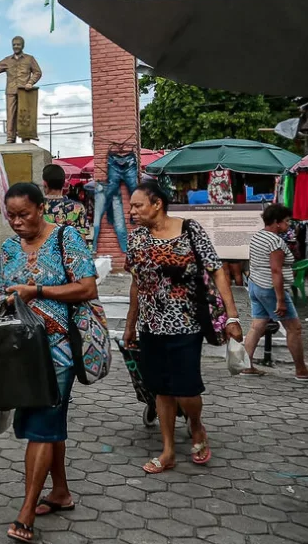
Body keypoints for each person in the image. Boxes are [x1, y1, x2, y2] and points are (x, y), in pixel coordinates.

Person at [0, 182, 98, 543]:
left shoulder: (67, 237)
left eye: (23, 215)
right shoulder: (8, 247)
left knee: (42, 425)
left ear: (40, 209)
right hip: (22, 351)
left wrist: (40, 292)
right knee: (49, 421)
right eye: (11, 215)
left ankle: (27, 512)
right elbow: (8, 290)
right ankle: (60, 492)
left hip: (59, 348)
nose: (16, 222)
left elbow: (88, 287)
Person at [125, 180, 243, 475]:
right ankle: (168, 451)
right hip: (151, 325)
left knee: (187, 389)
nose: (133, 211)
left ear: (157, 204)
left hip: (187, 324)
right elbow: (136, 283)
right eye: (131, 207)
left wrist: (232, 316)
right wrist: (130, 324)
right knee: (162, 390)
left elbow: (217, 271)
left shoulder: (190, 230)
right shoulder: (137, 238)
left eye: (138, 205)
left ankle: (196, 423)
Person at [243, 204, 308, 380]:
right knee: (294, 328)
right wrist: (280, 299)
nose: (289, 225)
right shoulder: (274, 242)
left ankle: (246, 365)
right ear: (276, 223)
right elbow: (276, 271)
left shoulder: (258, 236)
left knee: (258, 325)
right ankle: (301, 370)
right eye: (286, 222)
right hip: (270, 288)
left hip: (256, 285)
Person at [41, 164, 88, 237]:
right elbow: (82, 241)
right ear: (63, 184)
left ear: (45, 183)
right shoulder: (78, 207)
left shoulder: (35, 206)